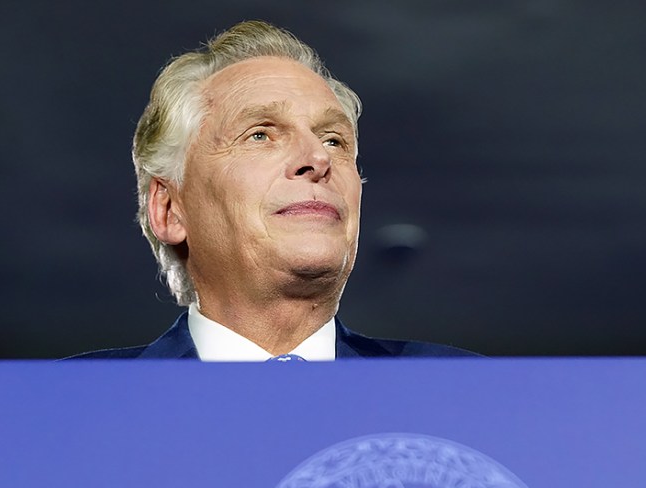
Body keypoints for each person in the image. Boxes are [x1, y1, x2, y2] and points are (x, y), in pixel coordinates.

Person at [73, 20, 475, 361]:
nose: (317, 158)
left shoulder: (471, 395)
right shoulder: (62, 408)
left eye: (334, 140)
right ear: (169, 209)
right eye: (260, 134)